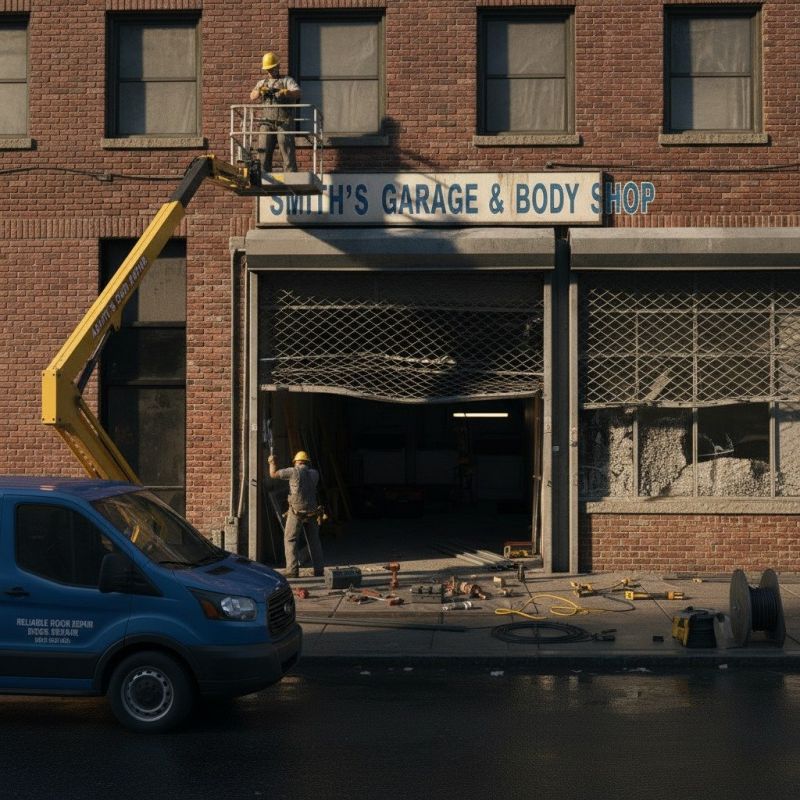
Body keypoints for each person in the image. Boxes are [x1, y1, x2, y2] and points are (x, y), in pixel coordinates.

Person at [268, 450, 324, 578]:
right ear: (307, 462)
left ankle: (292, 571)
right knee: (314, 540)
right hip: (312, 511)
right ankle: (319, 570)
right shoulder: (315, 474)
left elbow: (273, 474)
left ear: (296, 462)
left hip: (296, 512)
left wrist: (272, 462)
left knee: (290, 539)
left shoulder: (292, 472)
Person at [249, 51, 300, 173]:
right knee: (263, 148)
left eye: (273, 68)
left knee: (286, 146)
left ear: (278, 66)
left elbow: (298, 93)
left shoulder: (287, 80)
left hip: (284, 120)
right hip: (267, 121)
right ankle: (263, 174)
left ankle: (291, 173)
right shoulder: (262, 83)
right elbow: (252, 96)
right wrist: (260, 91)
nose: (271, 71)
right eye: (269, 69)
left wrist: (287, 92)